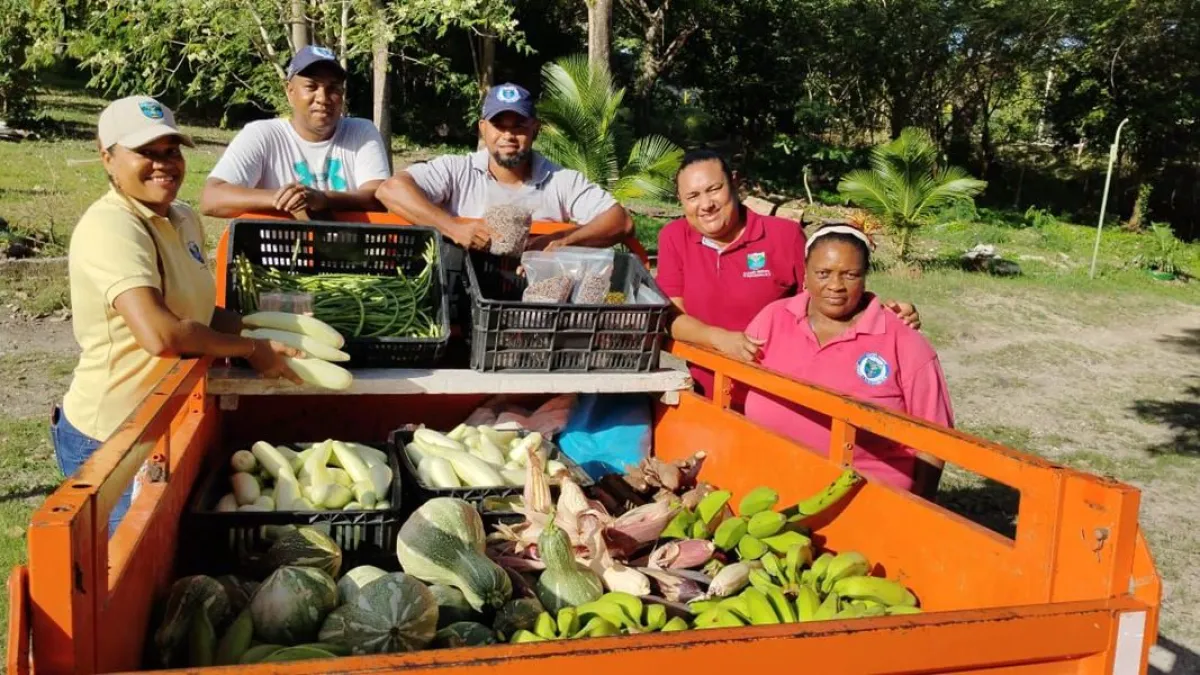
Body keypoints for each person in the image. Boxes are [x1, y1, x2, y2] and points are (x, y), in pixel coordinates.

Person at [59, 95, 304, 533]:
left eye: (171, 151)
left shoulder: (183, 218)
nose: (164, 164)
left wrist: (276, 331)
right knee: (122, 566)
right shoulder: (111, 227)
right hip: (113, 433)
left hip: (165, 420)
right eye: (146, 153)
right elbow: (163, 335)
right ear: (107, 158)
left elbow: (201, 312)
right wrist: (252, 348)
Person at [655, 148, 919, 400]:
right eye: (693, 196)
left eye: (714, 189)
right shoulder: (674, 238)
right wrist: (721, 339)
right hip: (708, 389)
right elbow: (672, 318)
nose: (706, 204)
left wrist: (886, 315)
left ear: (734, 183)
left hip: (783, 389)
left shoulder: (783, 236)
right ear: (681, 201)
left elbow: (828, 300)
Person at [743, 224, 952, 496]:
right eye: (823, 273)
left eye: (850, 275)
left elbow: (934, 438)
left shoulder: (903, 341)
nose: (835, 286)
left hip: (867, 495)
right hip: (769, 482)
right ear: (805, 273)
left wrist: (920, 510)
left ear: (865, 276)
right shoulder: (774, 317)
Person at [376, 82, 632, 251]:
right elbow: (391, 189)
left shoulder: (560, 179)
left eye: (518, 126)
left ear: (535, 130)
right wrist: (452, 227)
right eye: (499, 125)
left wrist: (561, 241)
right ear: (483, 128)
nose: (508, 135)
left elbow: (620, 221)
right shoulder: (457, 170)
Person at [200, 45, 391, 219]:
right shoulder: (262, 135)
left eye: (333, 88)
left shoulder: (361, 132)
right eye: (311, 87)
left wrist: (323, 199)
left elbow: (378, 197)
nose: (323, 98)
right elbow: (212, 198)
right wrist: (287, 198)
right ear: (290, 91)